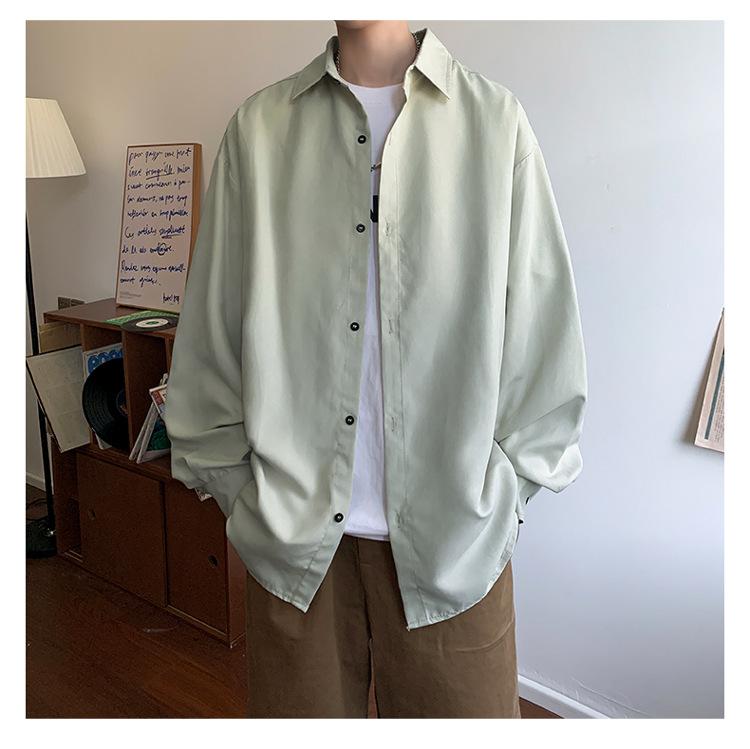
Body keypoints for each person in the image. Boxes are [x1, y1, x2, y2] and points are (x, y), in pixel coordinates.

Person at [164, 20, 587, 719]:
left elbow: (545, 338)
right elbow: (212, 330)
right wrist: (240, 493)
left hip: (455, 547)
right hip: (295, 547)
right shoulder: (259, 131)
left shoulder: (493, 123)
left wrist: (504, 499)